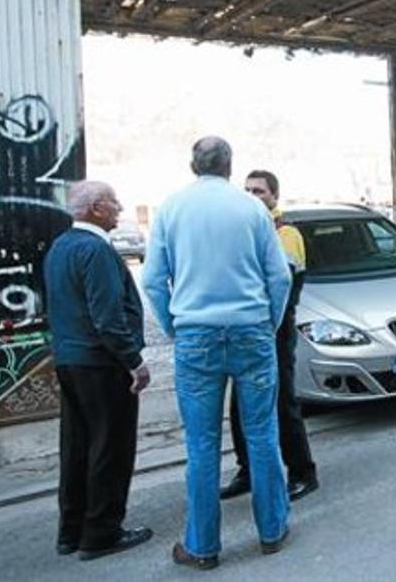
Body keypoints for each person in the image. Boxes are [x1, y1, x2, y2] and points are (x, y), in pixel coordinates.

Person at [143, 137, 292, 569]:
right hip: (251, 333)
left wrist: (177, 327)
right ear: (230, 166)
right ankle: (272, 529)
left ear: (193, 164)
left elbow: (153, 281)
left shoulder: (171, 209)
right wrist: (269, 323)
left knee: (202, 444)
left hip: (196, 336)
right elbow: (278, 277)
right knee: (262, 433)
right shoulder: (252, 210)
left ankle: (201, 546)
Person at [44, 181, 153, 560]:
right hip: (101, 363)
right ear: (94, 208)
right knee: (111, 446)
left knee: (77, 447)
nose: (119, 206)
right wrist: (134, 361)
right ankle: (101, 532)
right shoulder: (96, 250)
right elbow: (107, 317)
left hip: (70, 360)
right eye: (112, 201)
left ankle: (70, 531)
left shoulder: (60, 247)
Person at [220, 169, 318, 502]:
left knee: (282, 402)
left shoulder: (285, 234)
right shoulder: (247, 231)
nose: (252, 196)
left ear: (274, 196)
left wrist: (265, 324)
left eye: (259, 191)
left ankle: (303, 471)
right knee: (239, 406)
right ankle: (247, 470)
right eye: (247, 190)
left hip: (273, 329)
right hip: (246, 328)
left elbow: (283, 288)